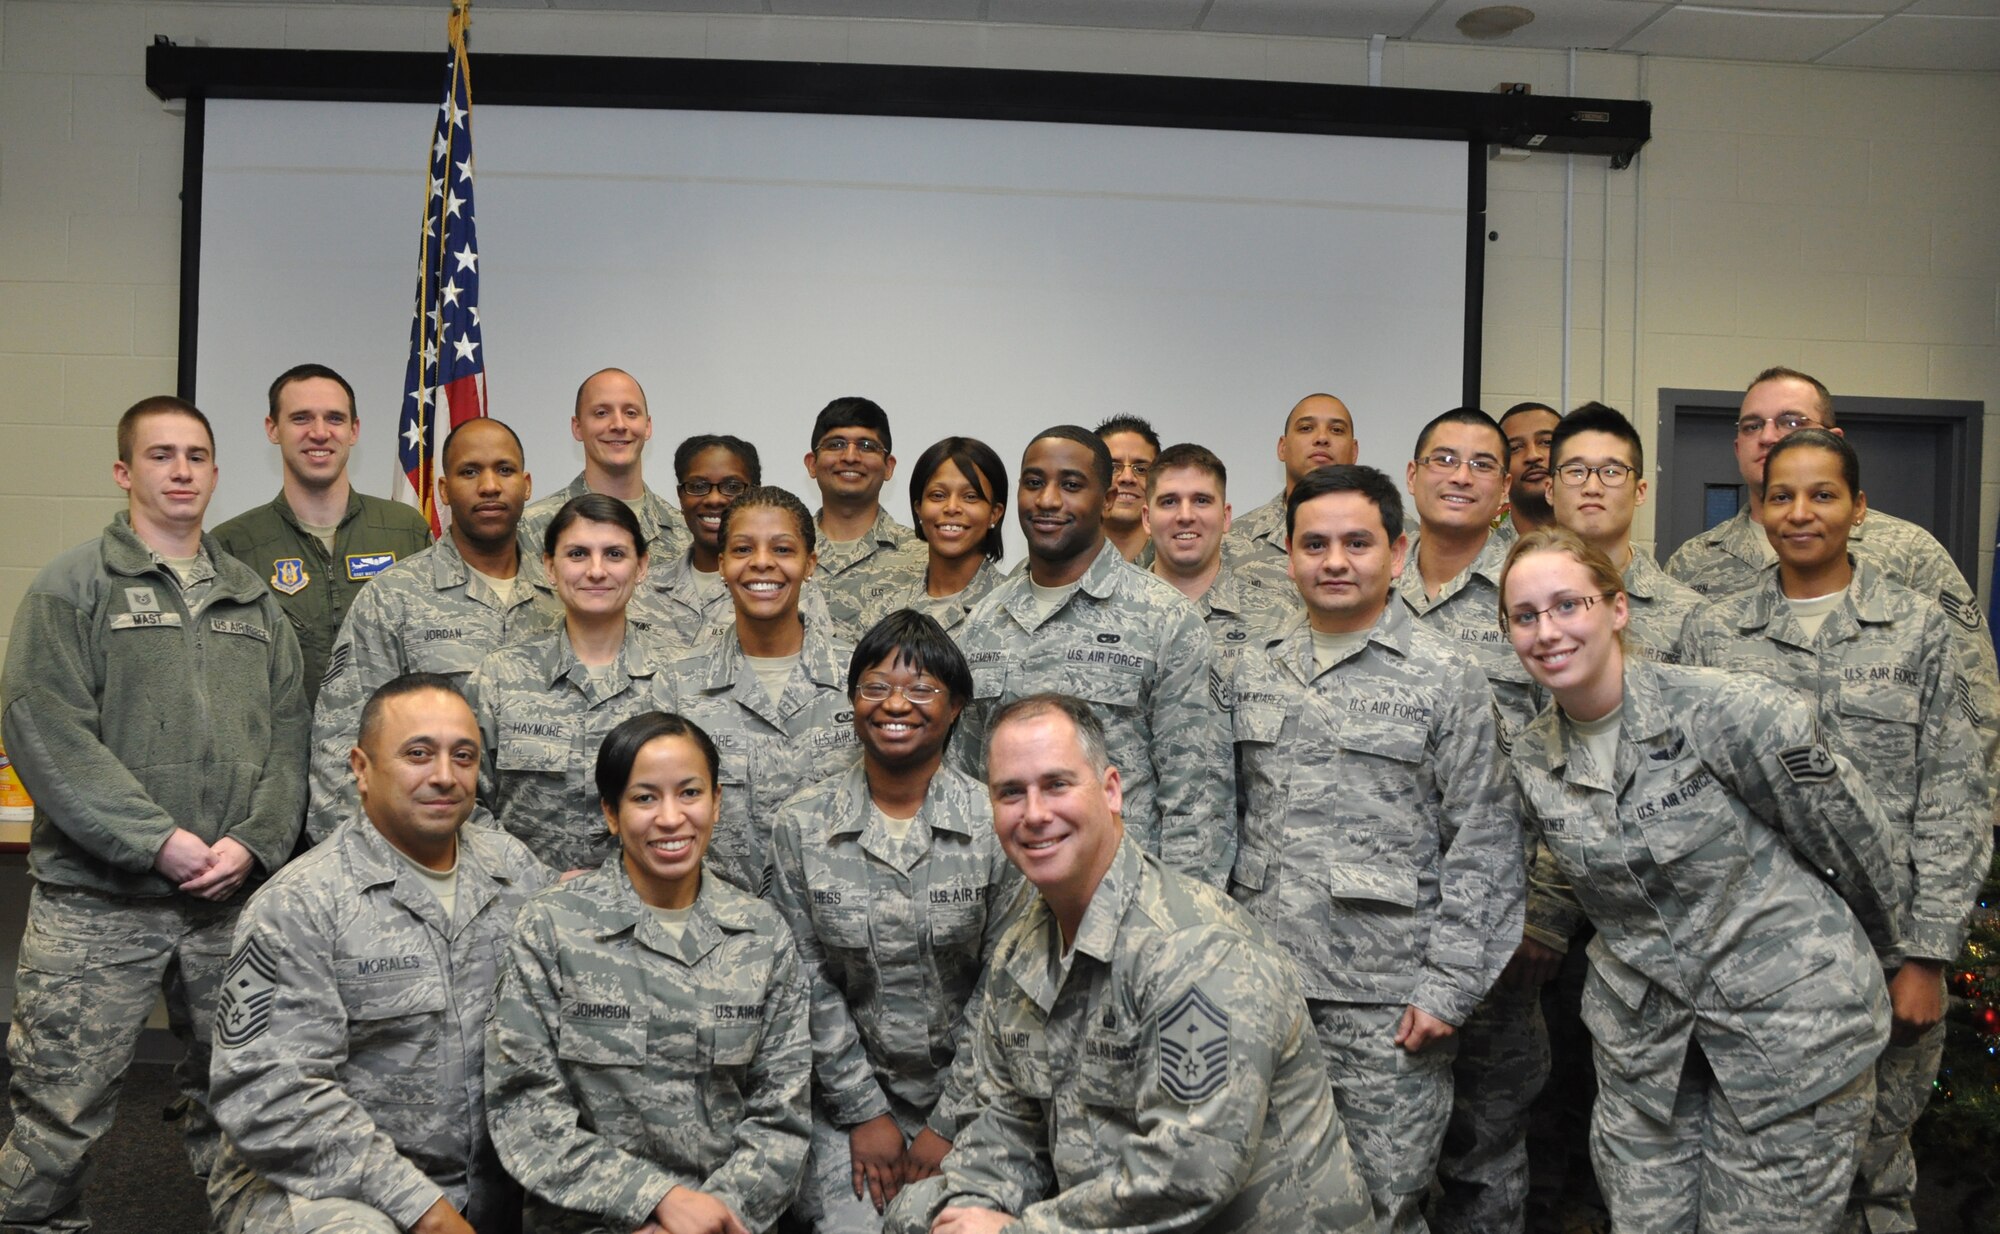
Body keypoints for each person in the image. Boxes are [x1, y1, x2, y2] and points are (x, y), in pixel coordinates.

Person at [1502, 526, 1906, 1234]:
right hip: (1650, 1050)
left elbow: (1854, 844)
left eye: (1569, 605)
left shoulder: (1729, 712)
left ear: (1617, 609)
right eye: (1525, 616)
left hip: (1791, 1033)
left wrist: (1898, 959)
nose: (1548, 631)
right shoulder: (1535, 754)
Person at [883, 694, 1376, 1234]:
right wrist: (966, 1211)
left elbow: (1191, 1171)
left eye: (1056, 784)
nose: (1035, 814)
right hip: (1109, 1217)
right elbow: (1004, 1126)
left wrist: (1013, 1233)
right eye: (1010, 794)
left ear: (1111, 790)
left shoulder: (1195, 949)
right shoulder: (1021, 952)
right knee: (916, 1213)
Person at [0, 396, 309, 1232]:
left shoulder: (254, 600)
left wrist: (253, 842)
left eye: (197, 456)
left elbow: (292, 737)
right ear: (124, 471)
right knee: (59, 1114)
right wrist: (157, 842)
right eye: (162, 455)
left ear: (215, 471)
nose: (181, 471)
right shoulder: (73, 587)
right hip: (98, 905)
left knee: (245, 1106)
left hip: (230, 906)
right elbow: (44, 728)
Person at [1678, 430, 1992, 1234]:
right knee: (1759, 1177)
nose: (1800, 512)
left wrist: (1926, 955)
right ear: (1759, 508)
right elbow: (1691, 797)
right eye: (1780, 496)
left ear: (1858, 507)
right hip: (1756, 959)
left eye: (1822, 495)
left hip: (1887, 951)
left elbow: (1953, 792)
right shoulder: (1714, 634)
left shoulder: (1917, 629)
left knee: (1875, 1176)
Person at [1229, 464, 1523, 1234]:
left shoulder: (1445, 675)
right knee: (1259, 1200)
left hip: (1388, 1003)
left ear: (1396, 554)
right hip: (1266, 989)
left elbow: (1486, 839)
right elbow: (1220, 816)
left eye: (1357, 543)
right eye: (1315, 543)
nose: (1335, 561)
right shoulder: (1250, 661)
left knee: (1382, 1204)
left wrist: (1448, 988)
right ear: (1287, 554)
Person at [207, 674, 551, 1234]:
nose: (444, 776)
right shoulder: (300, 905)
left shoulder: (514, 870)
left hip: (491, 1187)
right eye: (418, 754)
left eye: (462, 756)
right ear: (361, 768)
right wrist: (427, 1214)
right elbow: (271, 1097)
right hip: (332, 1187)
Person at [485, 711, 812, 1234]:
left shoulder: (761, 935)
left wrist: (711, 1216)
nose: (670, 817)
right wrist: (654, 1202)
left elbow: (783, 1115)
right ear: (611, 813)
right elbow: (524, 1111)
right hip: (591, 1221)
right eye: (644, 798)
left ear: (717, 802)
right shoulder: (552, 927)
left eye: (689, 793)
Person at [767, 611, 1023, 1232]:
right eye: (876, 687)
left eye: (923, 689)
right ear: (853, 700)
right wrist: (864, 1113)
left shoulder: (998, 824)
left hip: (981, 1103)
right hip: (845, 1104)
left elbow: (1004, 988)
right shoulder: (801, 826)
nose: (896, 705)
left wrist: (948, 1122)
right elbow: (806, 980)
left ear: (958, 705)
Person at [952, 426, 1234, 888]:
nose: (1047, 500)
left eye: (1071, 485)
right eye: (1034, 482)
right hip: (1006, 904)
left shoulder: (1165, 620)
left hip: (1125, 901)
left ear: (1106, 500)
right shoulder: (983, 621)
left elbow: (1197, 800)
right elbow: (964, 786)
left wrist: (1180, 926)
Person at [1394, 407, 1543, 1234]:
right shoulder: (1360, 579)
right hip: (1372, 936)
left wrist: (1543, 917)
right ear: (1412, 475)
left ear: (1503, 487)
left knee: (1484, 1151)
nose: (1461, 475)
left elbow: (1575, 767)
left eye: (1482, 463)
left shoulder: (1532, 592)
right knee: (1384, 1159)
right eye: (1443, 459)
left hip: (1497, 928)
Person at [307, 417, 562, 843]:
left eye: (504, 470)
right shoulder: (395, 598)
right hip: (430, 861)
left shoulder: (565, 596)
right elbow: (340, 753)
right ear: (443, 490)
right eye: (469, 472)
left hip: (554, 867)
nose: (489, 486)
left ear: (527, 484)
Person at [659, 485, 859, 895]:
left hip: (837, 922)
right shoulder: (678, 686)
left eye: (783, 550)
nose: (762, 563)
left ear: (810, 564)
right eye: (743, 549)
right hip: (720, 930)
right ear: (721, 564)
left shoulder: (859, 678)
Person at [467, 494, 678, 873]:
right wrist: (539, 881)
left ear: (642, 566)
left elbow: (699, 808)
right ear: (549, 567)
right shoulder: (500, 676)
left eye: (614, 554)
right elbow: (466, 804)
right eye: (577, 554)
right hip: (522, 906)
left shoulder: (679, 678)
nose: (596, 571)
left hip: (648, 904)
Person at [213, 363, 434, 709]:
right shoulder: (234, 545)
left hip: (388, 752)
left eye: (334, 418)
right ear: (272, 429)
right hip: (283, 754)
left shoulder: (405, 531)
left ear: (354, 430)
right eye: (301, 418)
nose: (319, 433)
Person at [516, 367, 692, 581]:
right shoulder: (532, 528)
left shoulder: (684, 532)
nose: (618, 424)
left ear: (647, 426)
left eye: (631, 413)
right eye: (601, 413)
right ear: (578, 427)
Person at [1145, 443, 1297, 684]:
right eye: (1169, 502)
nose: (1185, 516)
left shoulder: (1278, 619)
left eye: (1202, 500)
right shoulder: (1111, 617)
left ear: (1226, 518)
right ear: (1146, 519)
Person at [855, 437, 1008, 641]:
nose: (952, 507)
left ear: (994, 514)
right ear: (918, 509)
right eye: (938, 495)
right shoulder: (882, 612)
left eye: (970, 496)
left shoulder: (1012, 607)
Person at [805, 397, 923, 637]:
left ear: (889, 466)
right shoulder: (782, 551)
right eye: (835, 444)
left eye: (867, 446)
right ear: (812, 464)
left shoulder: (925, 557)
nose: (850, 456)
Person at [1225, 392, 1359, 569]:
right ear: (1283, 447)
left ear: (1354, 451)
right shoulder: (1233, 541)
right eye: (1306, 428)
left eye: (1336, 430)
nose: (1322, 438)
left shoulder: (1395, 534)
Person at [1094, 414, 1160, 564]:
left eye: (1141, 469)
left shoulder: (1180, 558)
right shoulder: (1065, 562)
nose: (1127, 477)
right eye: (1112, 467)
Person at [1496, 403, 1561, 541]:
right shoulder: (1481, 560)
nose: (1532, 455)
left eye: (1547, 442)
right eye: (1515, 448)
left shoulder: (1605, 551)